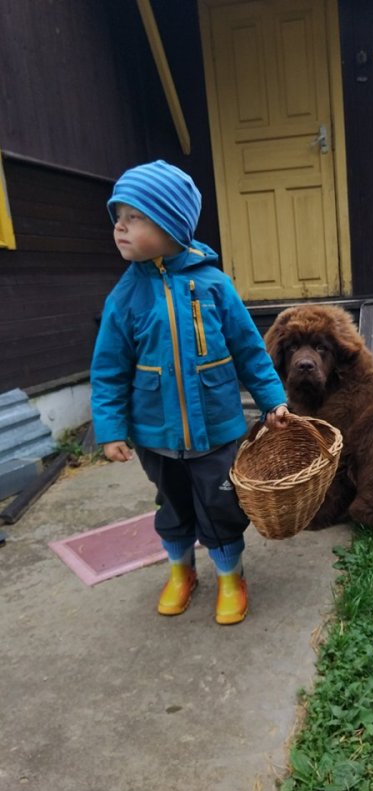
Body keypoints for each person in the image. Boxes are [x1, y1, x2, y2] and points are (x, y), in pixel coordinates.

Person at [91, 160, 288, 625]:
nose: (120, 227)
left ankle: (229, 575)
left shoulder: (214, 286)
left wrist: (273, 400)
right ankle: (181, 571)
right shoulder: (123, 298)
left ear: (171, 224)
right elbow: (107, 370)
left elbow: (249, 351)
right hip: (155, 434)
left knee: (221, 505)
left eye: (134, 217)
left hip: (218, 430)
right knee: (172, 506)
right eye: (117, 216)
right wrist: (111, 428)